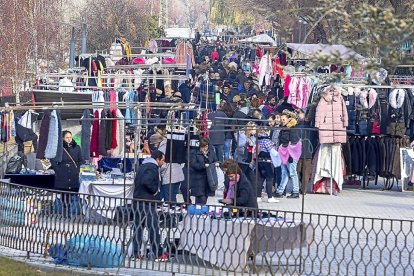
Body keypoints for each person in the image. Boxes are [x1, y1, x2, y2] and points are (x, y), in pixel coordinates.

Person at [132, 150, 169, 261]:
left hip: (138, 200)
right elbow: (146, 181)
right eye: (162, 160)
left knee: (138, 228)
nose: (163, 162)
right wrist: (154, 191)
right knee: (153, 228)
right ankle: (158, 253)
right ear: (157, 159)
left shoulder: (142, 166)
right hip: (147, 202)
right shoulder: (152, 167)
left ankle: (136, 254)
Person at [51, 130, 84, 216]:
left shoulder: (77, 147)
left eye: (70, 137)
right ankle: (64, 211)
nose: (69, 139)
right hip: (63, 172)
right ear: (63, 138)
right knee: (63, 192)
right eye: (67, 137)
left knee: (73, 192)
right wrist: (58, 170)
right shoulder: (59, 148)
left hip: (73, 173)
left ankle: (72, 211)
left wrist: (77, 169)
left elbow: (81, 160)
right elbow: (53, 160)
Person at [275, 111, 302, 199]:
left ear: (289, 119)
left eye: (284, 119)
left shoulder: (293, 129)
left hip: (291, 153)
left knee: (292, 172)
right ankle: (280, 191)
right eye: (281, 119)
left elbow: (294, 143)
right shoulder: (283, 128)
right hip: (284, 152)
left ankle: (296, 191)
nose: (282, 121)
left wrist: (291, 155)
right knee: (285, 173)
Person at [189, 137, 219, 205]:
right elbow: (193, 164)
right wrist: (203, 165)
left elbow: (215, 159)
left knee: (205, 197)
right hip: (198, 179)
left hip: (209, 179)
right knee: (200, 198)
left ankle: (201, 212)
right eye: (203, 147)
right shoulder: (194, 153)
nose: (205, 148)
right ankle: (199, 212)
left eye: (206, 146)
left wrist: (216, 163)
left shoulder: (211, 152)